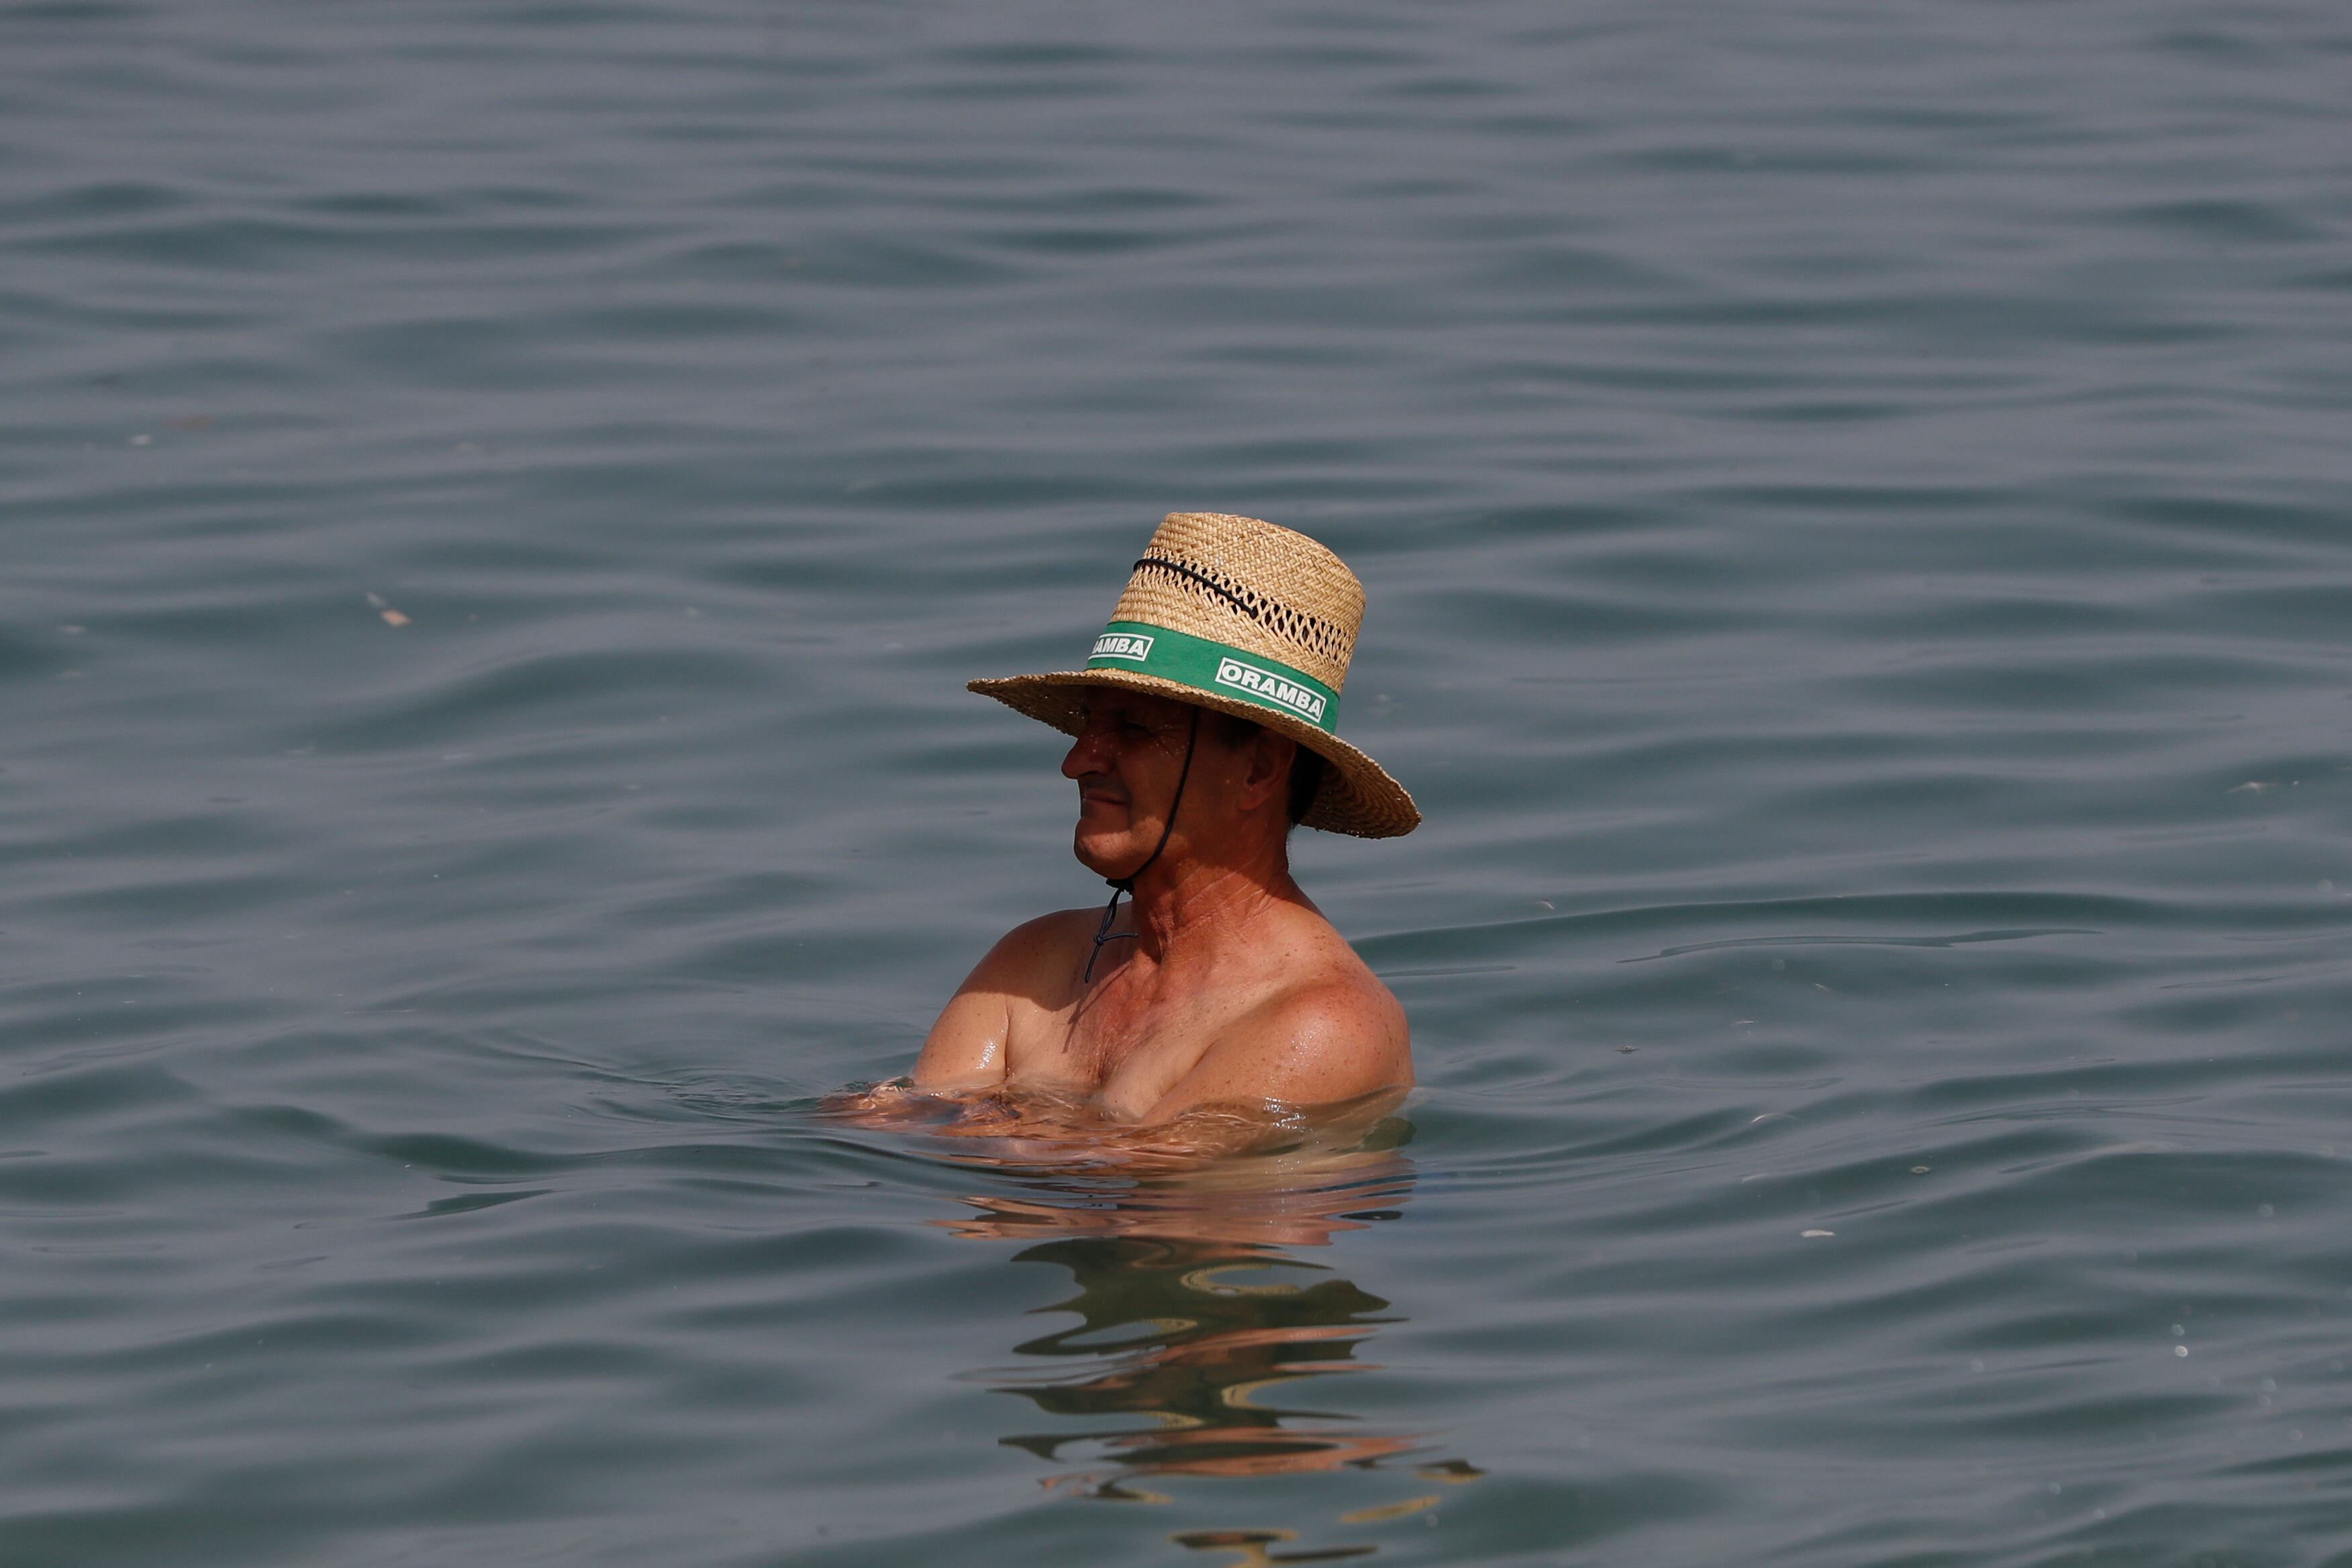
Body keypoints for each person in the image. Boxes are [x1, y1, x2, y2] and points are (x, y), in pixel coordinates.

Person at [910, 511, 1422, 1125]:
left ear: (1257, 771)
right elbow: (899, 1133)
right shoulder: (1033, 961)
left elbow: (1157, 1189)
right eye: (1088, 724)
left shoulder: (1325, 1023)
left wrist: (981, 1127)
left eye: (1133, 728)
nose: (1077, 762)